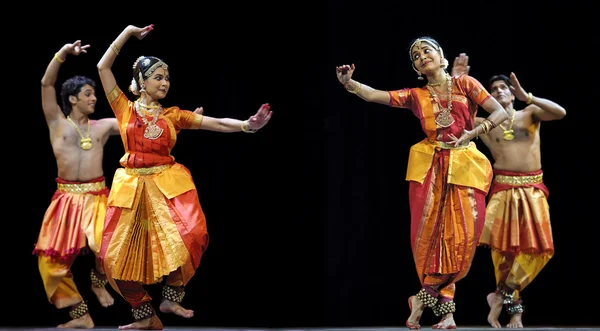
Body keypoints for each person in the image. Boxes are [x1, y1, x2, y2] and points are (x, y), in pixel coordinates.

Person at [96, 24, 273, 330]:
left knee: (195, 235)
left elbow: (214, 123)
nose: (165, 83)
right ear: (142, 81)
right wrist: (127, 33)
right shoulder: (123, 108)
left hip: (165, 186)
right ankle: (144, 315)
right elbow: (102, 66)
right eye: (158, 77)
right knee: (114, 259)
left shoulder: (172, 115)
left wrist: (247, 125)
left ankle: (171, 295)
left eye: (167, 78)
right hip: (131, 189)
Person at [336, 37, 509, 329]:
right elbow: (377, 95)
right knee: (431, 240)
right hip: (432, 169)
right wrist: (349, 84)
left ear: (442, 57)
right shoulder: (416, 95)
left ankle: (422, 297)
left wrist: (472, 133)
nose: (421, 56)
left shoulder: (467, 84)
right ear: (416, 67)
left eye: (427, 50)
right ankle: (447, 312)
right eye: (415, 56)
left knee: (463, 239)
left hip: (465, 165)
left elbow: (501, 112)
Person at [451, 56, 566, 328]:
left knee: (539, 249)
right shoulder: (485, 122)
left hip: (532, 188)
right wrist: (457, 82)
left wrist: (529, 96)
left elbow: (560, 113)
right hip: (503, 189)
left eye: (504, 87)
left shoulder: (530, 113)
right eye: (494, 90)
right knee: (505, 254)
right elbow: (455, 118)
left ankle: (499, 296)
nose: (499, 91)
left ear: (512, 92)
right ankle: (514, 313)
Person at [34, 40, 121, 328]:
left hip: (97, 197)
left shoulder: (104, 126)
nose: (94, 98)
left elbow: (137, 127)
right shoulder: (56, 123)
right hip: (65, 200)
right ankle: (80, 315)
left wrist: (176, 120)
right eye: (88, 94)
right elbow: (47, 84)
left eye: (94, 93)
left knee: (107, 246)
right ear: (72, 99)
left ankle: (98, 282)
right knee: (49, 264)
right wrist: (61, 54)